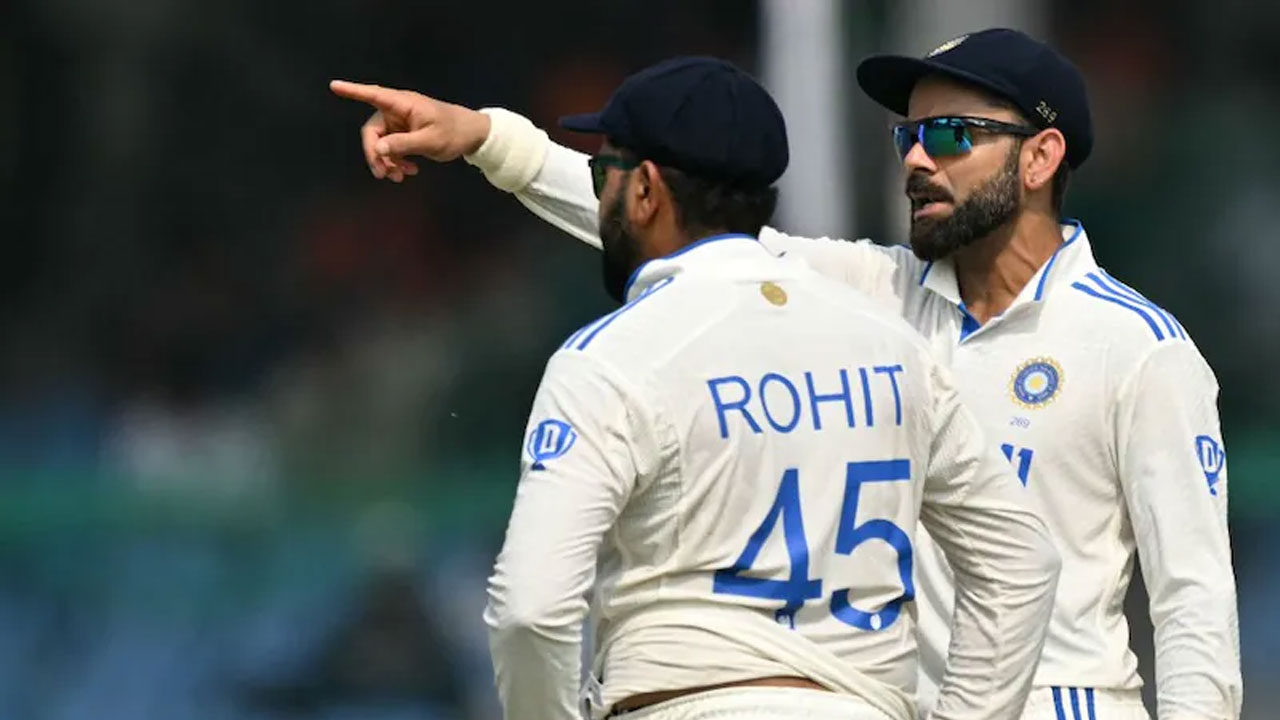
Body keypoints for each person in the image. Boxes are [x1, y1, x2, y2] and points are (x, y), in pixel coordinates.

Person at [331, 27, 1242, 720]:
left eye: (952, 134)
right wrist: (488, 140)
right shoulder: (876, 300)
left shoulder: (1139, 348)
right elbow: (682, 226)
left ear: (1041, 157)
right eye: (908, 135)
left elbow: (1194, 605)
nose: (917, 158)